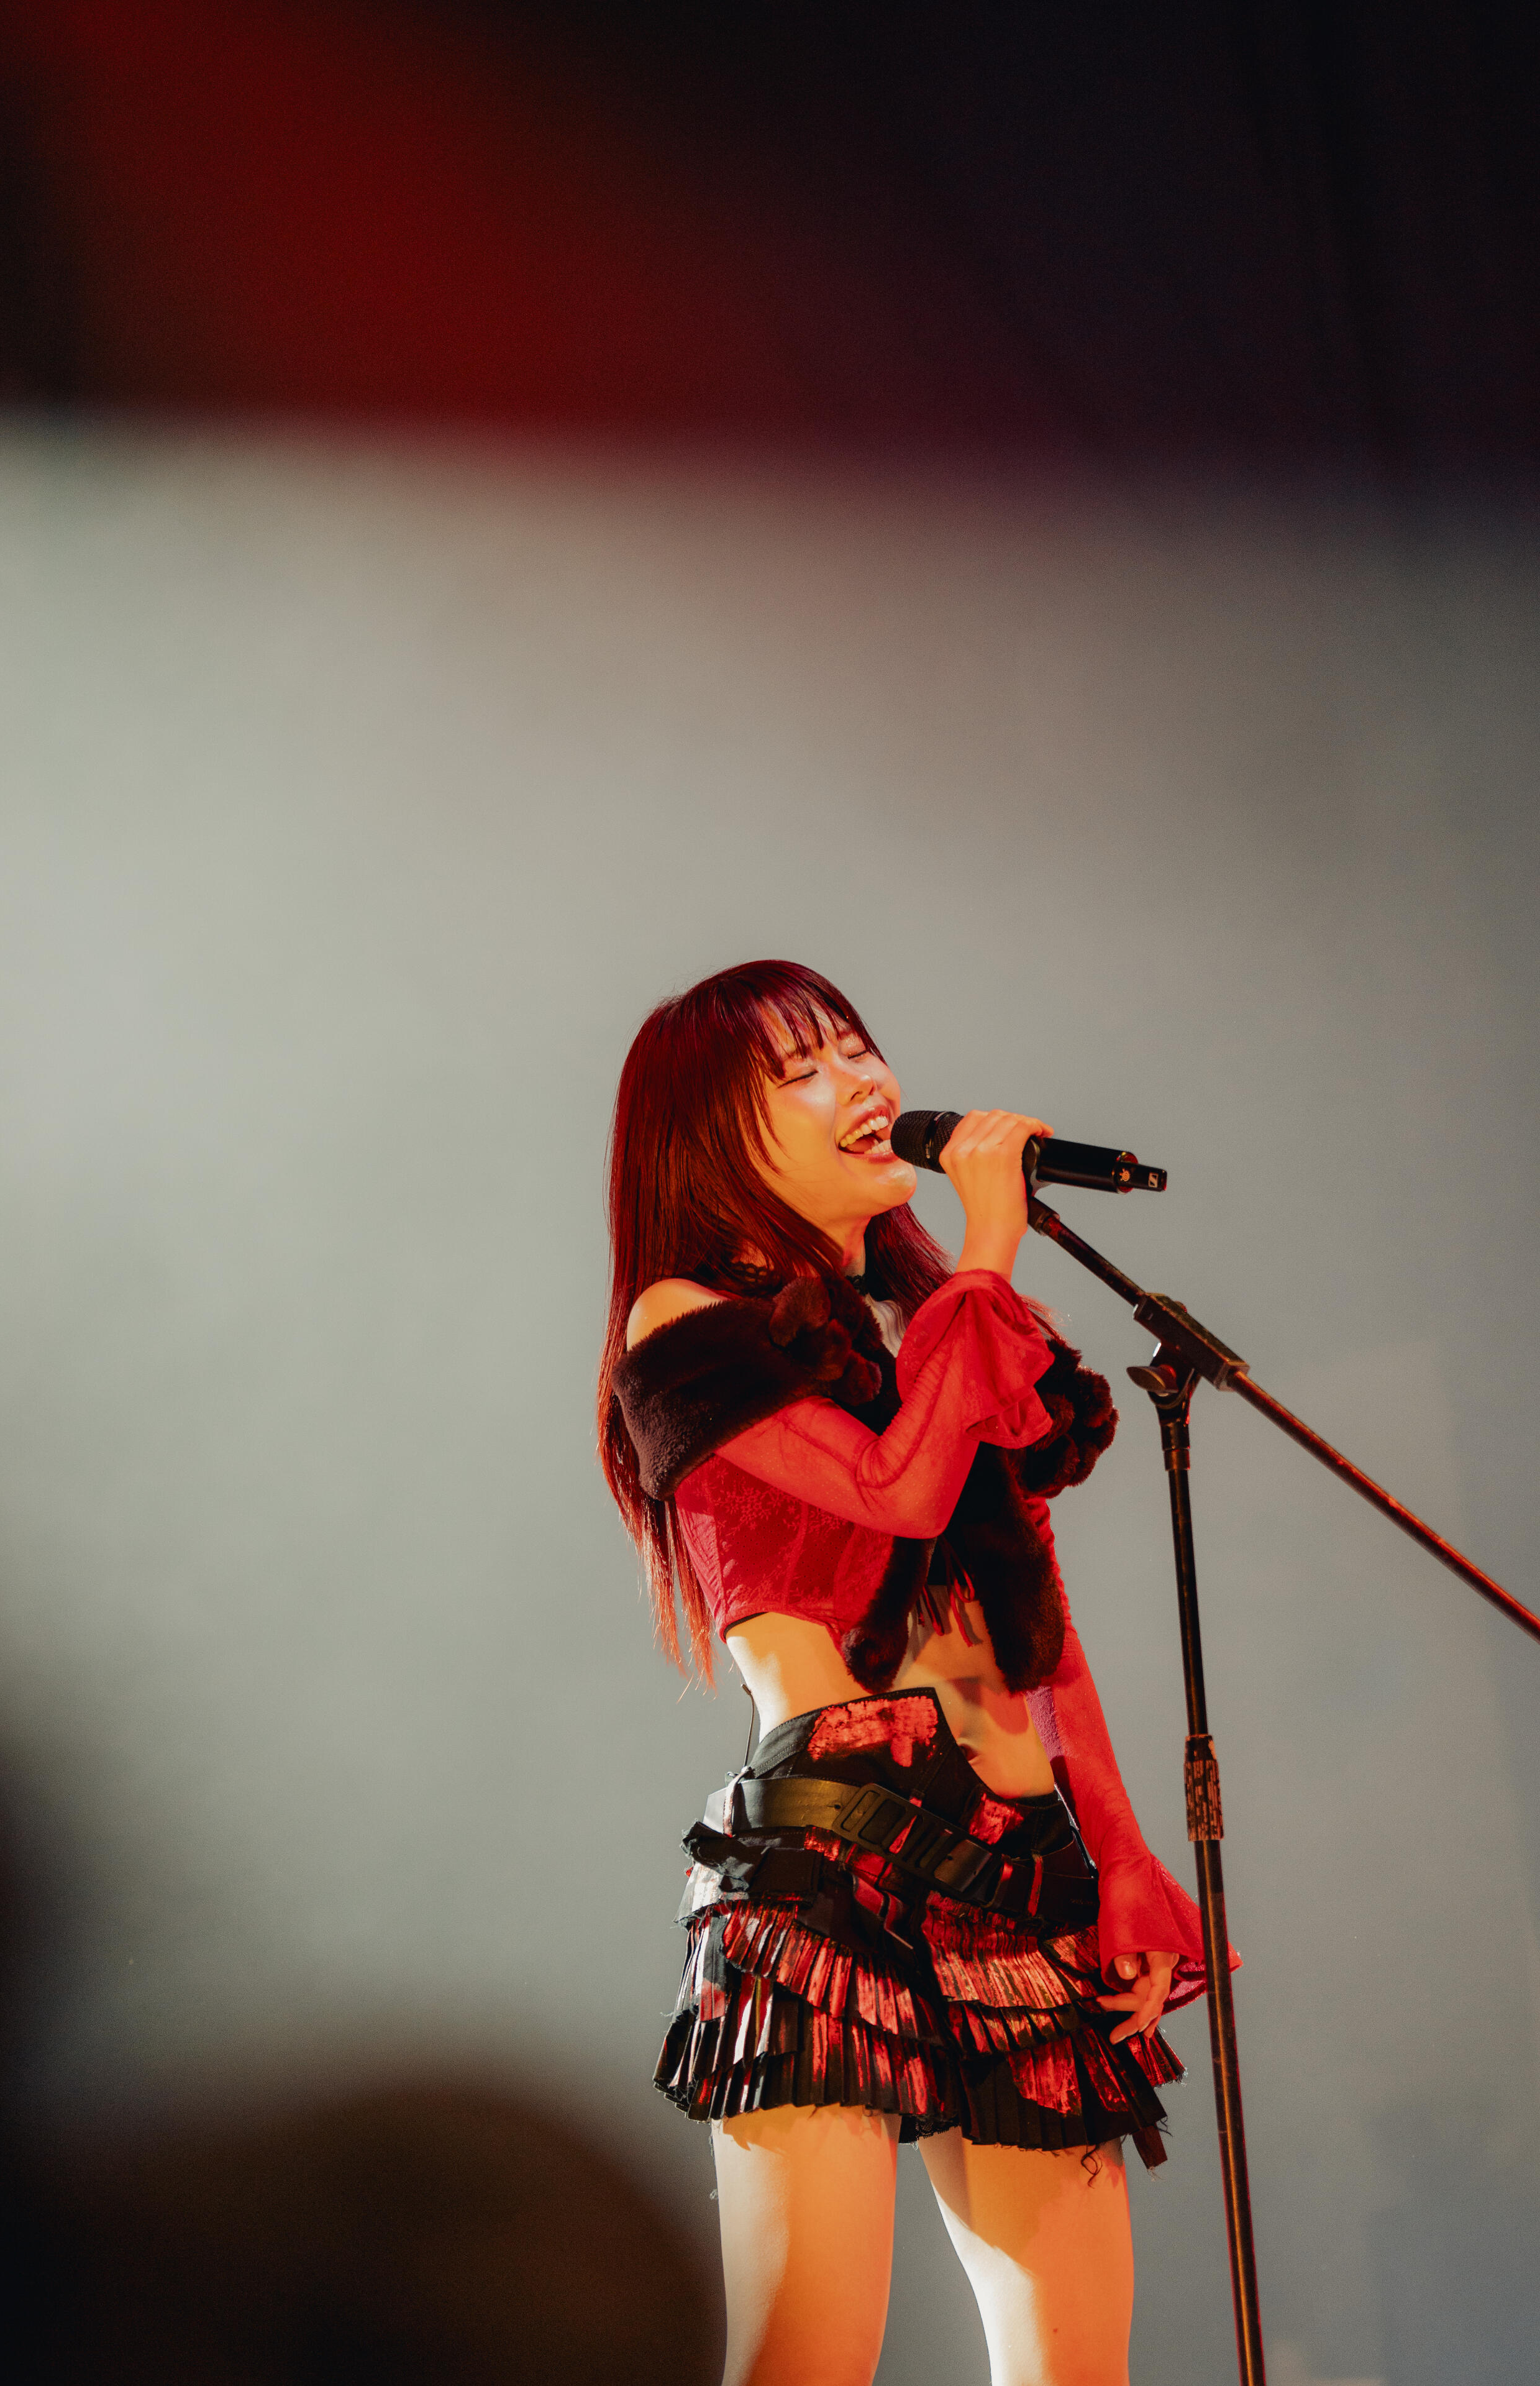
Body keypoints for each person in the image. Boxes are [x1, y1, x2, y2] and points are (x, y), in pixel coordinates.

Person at [598, 960, 1210, 2386]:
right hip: (835, 1863)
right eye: (802, 1069)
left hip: (1019, 1870)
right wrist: (985, 1248)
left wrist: (1120, 1855)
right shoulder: (684, 1325)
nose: (862, 1083)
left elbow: (1026, 1614)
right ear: (707, 1137)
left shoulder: (924, 1317)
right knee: (806, 2359)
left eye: (857, 1048)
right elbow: (897, 1487)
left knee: (1075, 2367)